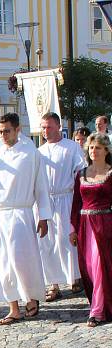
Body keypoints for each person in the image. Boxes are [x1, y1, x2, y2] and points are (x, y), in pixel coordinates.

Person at [0, 113, 52, 325]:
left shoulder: (30, 153)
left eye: (7, 131)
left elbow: (41, 186)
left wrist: (43, 216)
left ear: (17, 129)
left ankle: (31, 297)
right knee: (4, 262)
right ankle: (13, 307)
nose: (3, 135)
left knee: (22, 259)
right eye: (0, 132)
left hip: (21, 213)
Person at [38, 113, 87, 302]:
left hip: (66, 197)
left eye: (49, 127)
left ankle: (74, 277)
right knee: (47, 243)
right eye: (43, 127)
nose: (45, 131)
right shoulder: (39, 151)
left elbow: (80, 171)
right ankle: (53, 284)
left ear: (58, 126)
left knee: (66, 239)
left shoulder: (72, 147)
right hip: (46, 200)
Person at [70, 133, 112, 326]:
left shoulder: (111, 174)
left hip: (105, 224)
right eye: (91, 147)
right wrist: (73, 228)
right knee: (89, 269)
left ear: (106, 150)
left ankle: (97, 311)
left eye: (98, 148)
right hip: (85, 225)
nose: (93, 151)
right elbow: (76, 203)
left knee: (101, 267)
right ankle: (99, 305)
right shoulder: (81, 174)